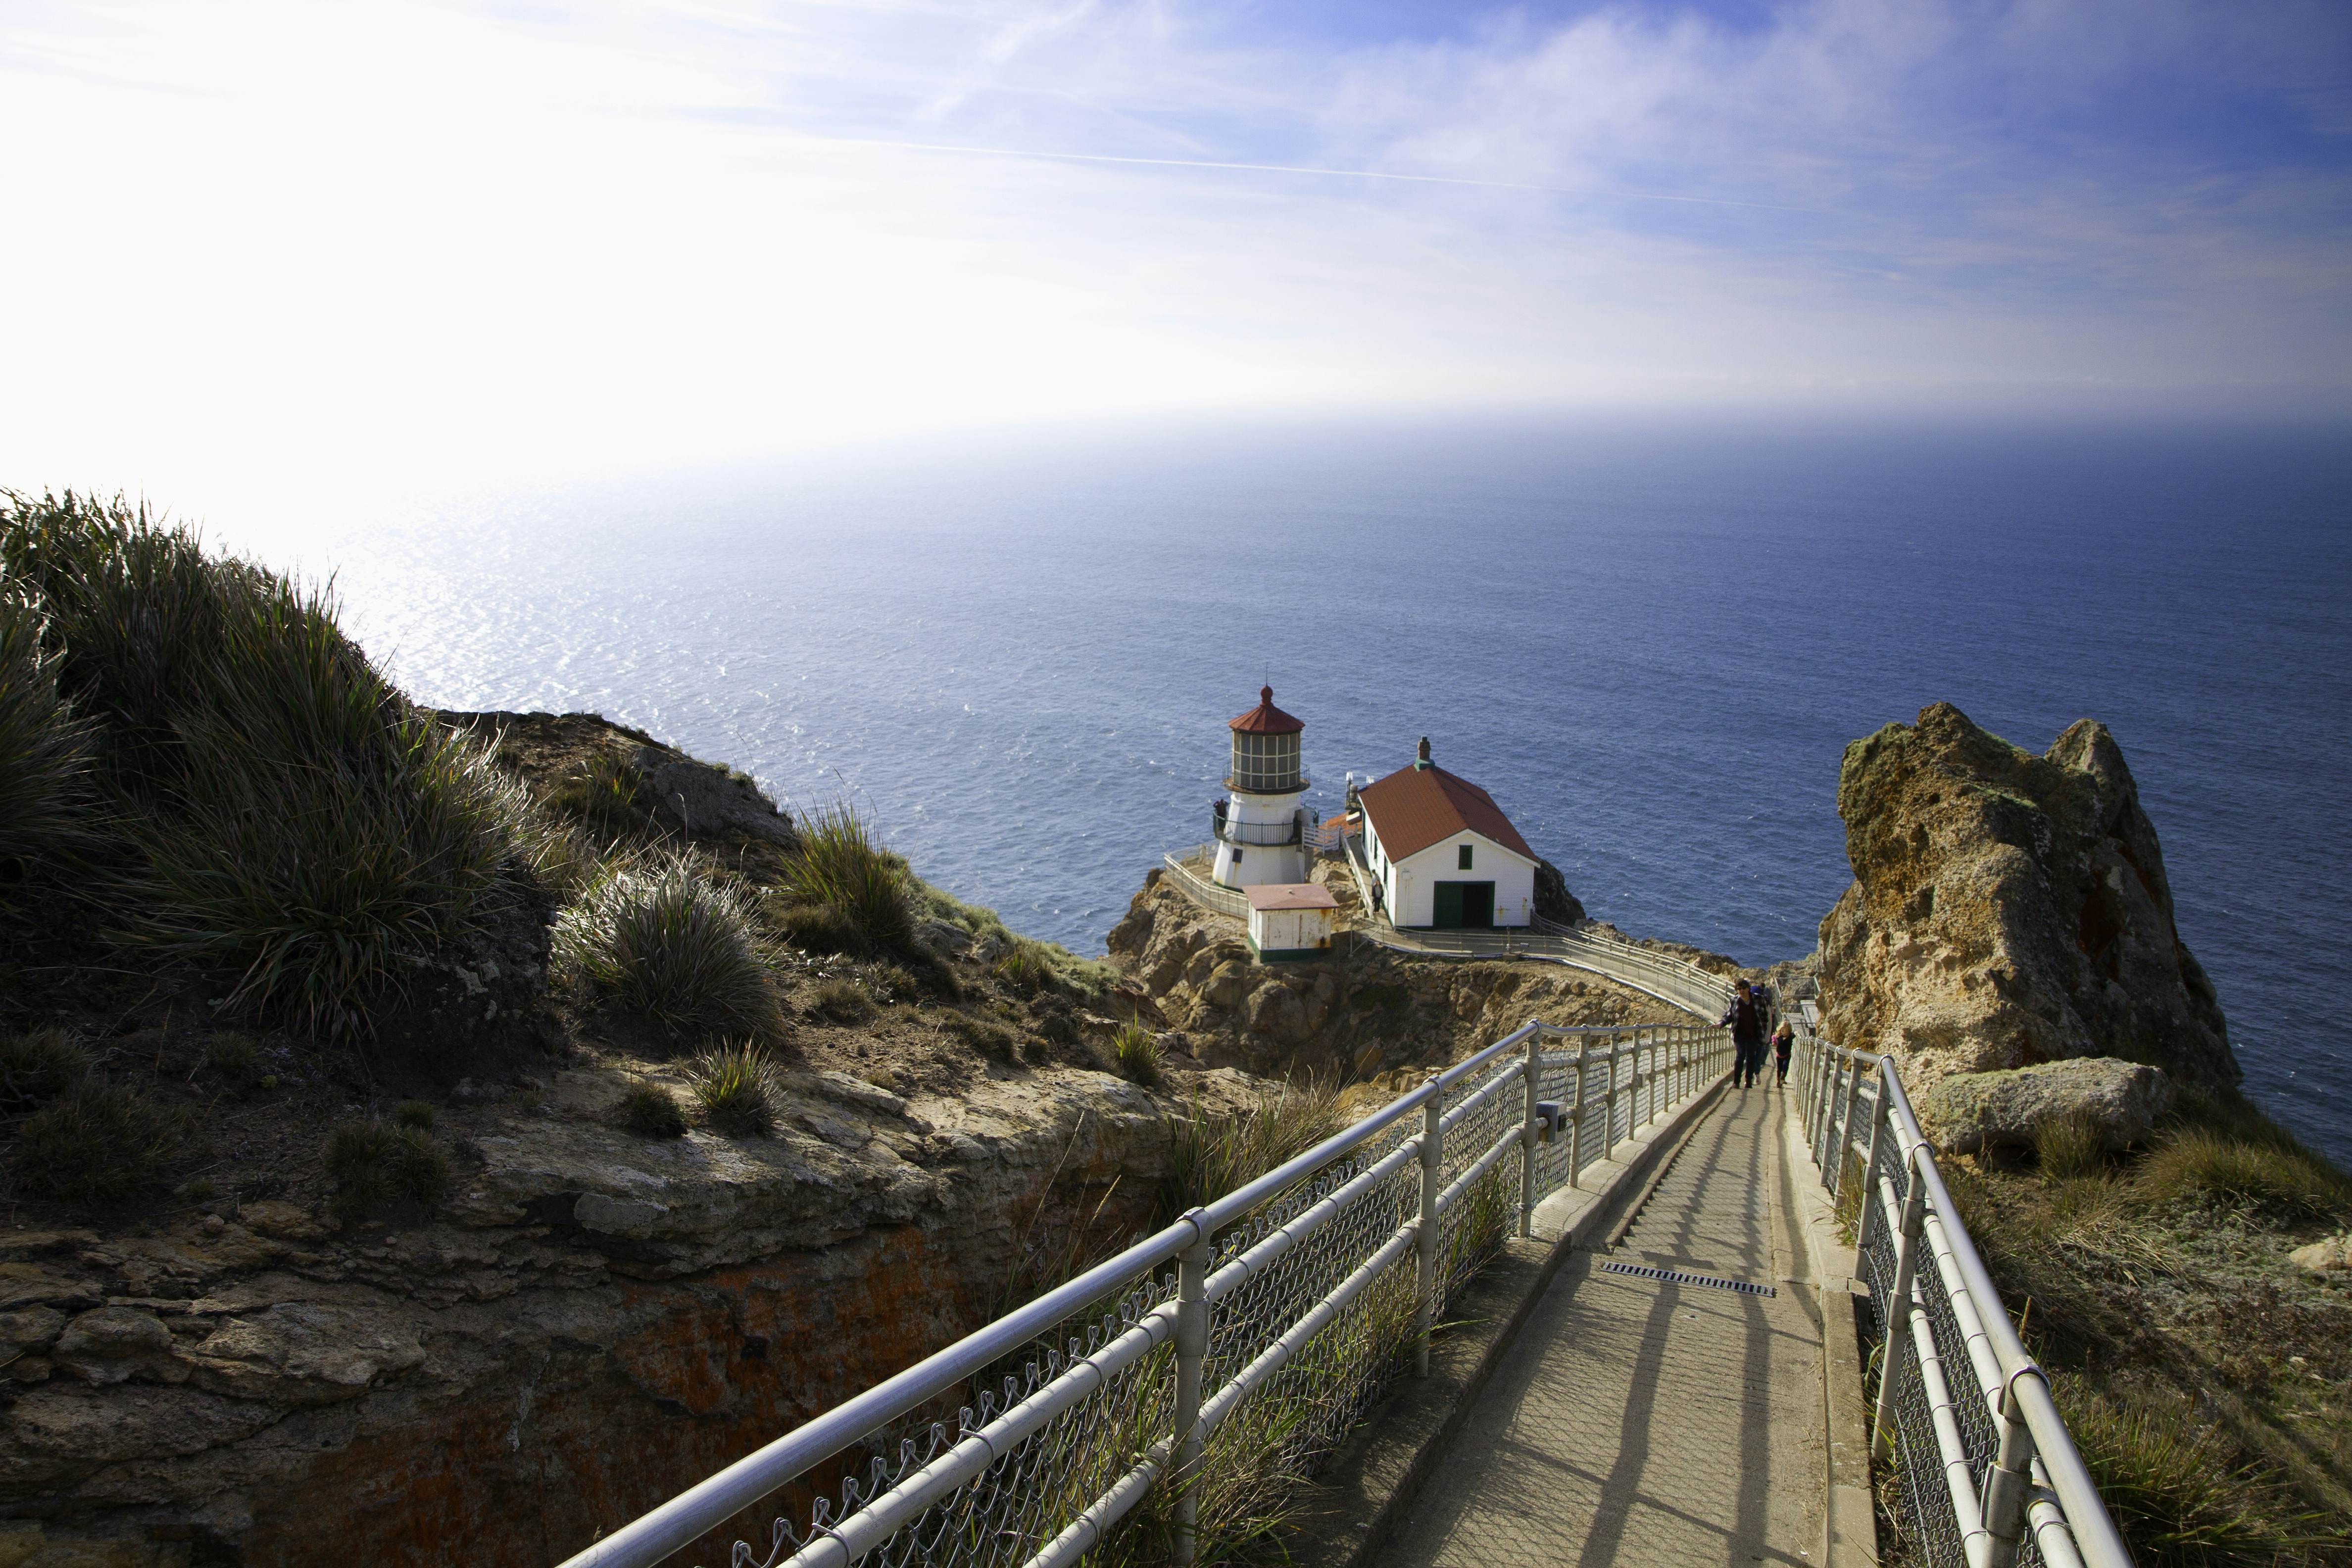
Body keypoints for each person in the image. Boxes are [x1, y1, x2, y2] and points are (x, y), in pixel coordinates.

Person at [1721, 980, 1764, 1089]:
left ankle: (1748, 1081)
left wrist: (1764, 1030)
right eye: (1739, 989)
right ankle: (1736, 1082)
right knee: (1740, 1055)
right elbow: (1729, 1016)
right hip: (1739, 1033)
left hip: (1753, 1033)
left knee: (1751, 1056)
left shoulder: (1758, 999)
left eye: (1744, 988)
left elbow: (1764, 1016)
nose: (1742, 991)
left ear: (1748, 988)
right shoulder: (1735, 1000)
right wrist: (1721, 1023)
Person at [1771, 1020, 1794, 1087]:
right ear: (1781, 1031)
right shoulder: (1779, 1037)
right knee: (1779, 1069)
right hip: (1779, 1055)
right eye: (1783, 1031)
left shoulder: (1790, 1037)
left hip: (1787, 1055)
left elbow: (1794, 1034)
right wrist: (1774, 1043)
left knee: (1785, 1065)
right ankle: (1779, 1081)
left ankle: (1783, 1077)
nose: (1785, 1033)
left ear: (1789, 1031)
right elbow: (1774, 1038)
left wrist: (1796, 1033)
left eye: (1787, 1031)